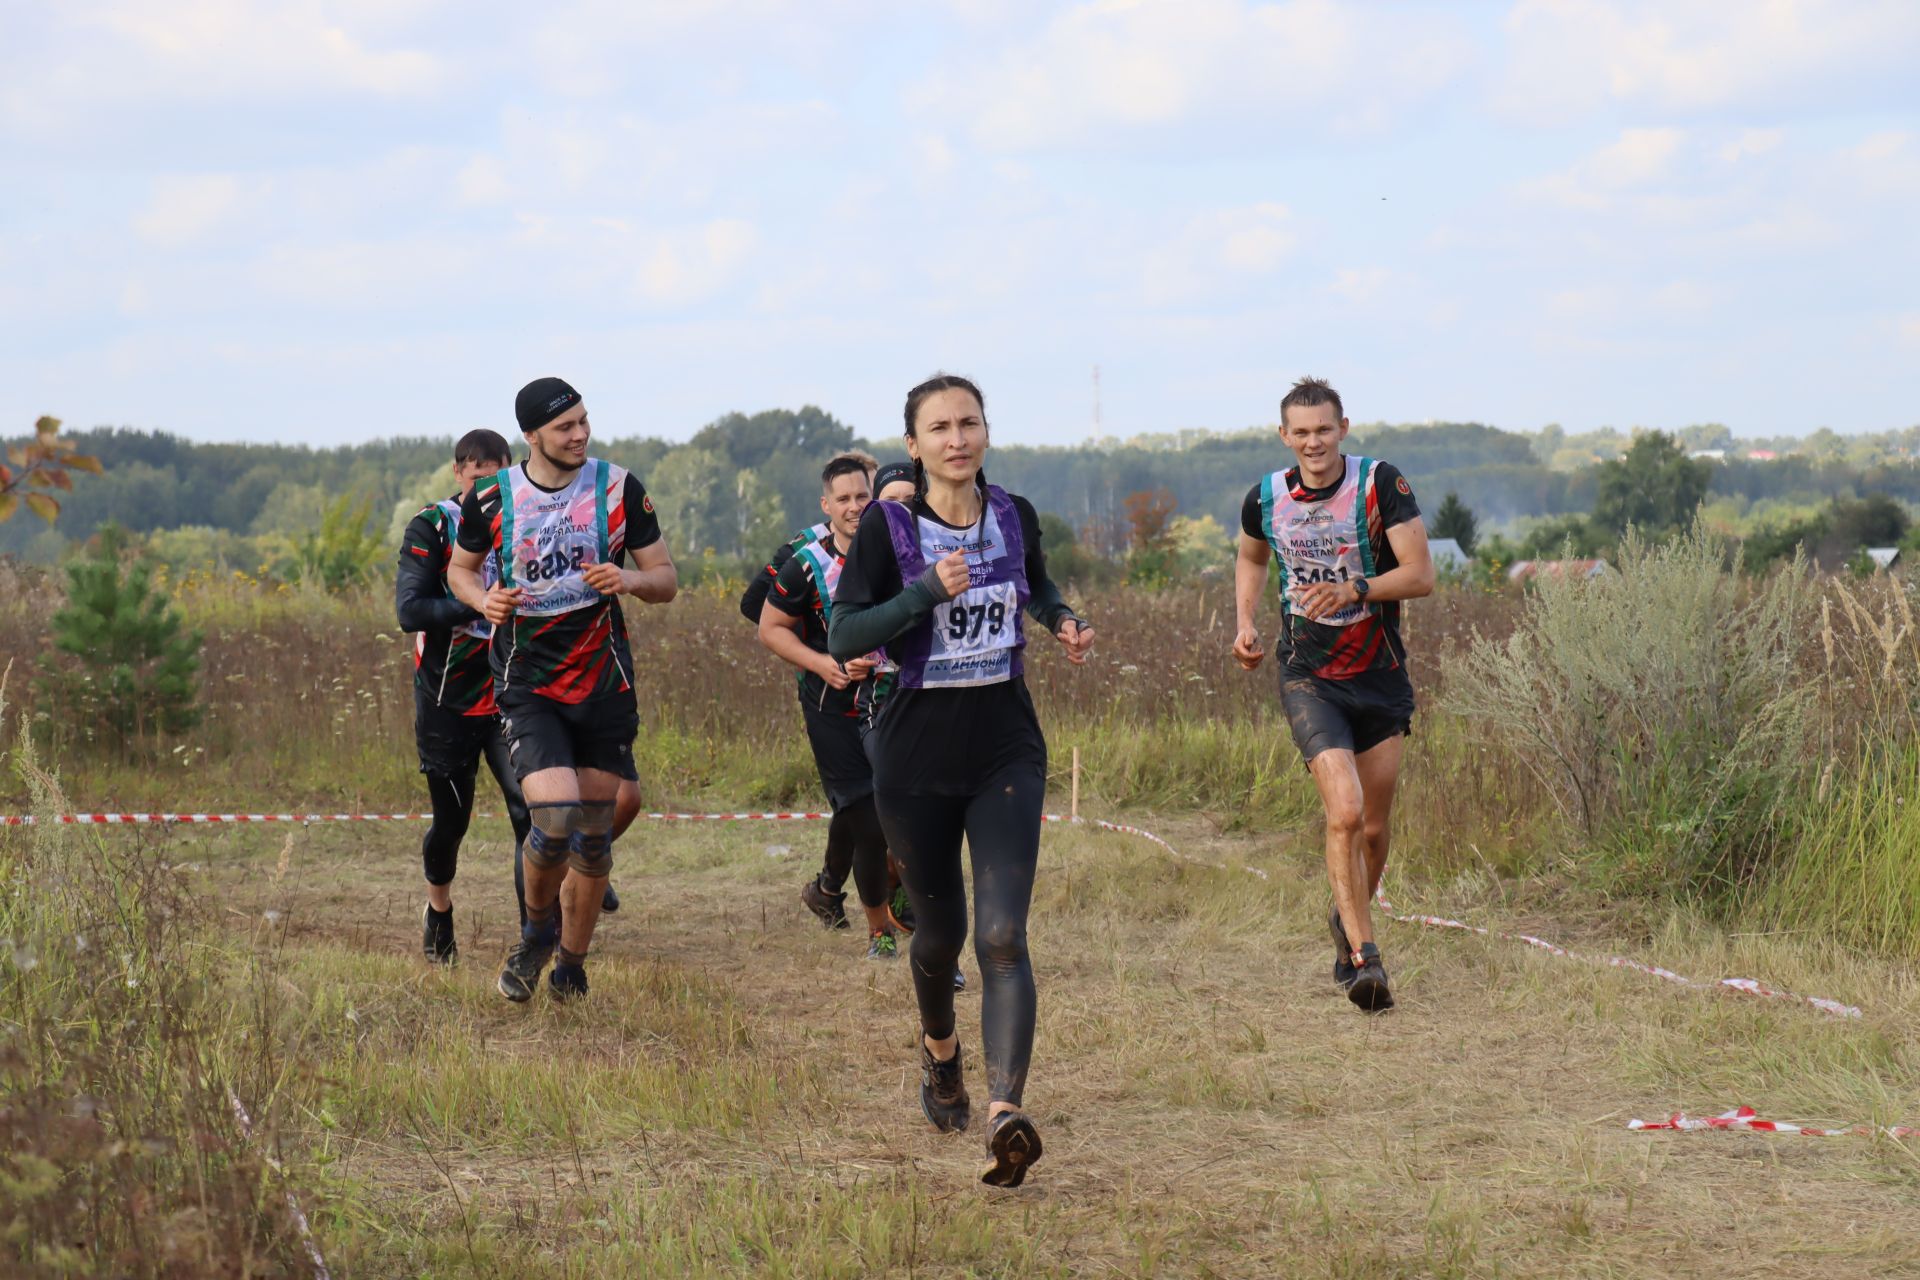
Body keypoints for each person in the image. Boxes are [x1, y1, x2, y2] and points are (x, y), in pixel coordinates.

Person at [830, 373, 1094, 1188]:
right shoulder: (888, 525)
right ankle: (941, 1053)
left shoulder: (1013, 514)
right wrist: (919, 595)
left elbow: (1036, 584)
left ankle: (1006, 1113)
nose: (957, 438)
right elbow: (845, 634)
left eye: (969, 422)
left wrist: (1059, 620)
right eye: (938, 427)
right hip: (912, 757)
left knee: (1003, 936)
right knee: (940, 939)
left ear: (985, 431)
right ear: (913, 444)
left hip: (1004, 746)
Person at [448, 377, 678, 1003]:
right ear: (531, 436)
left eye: (583, 421)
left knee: (594, 835)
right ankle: (534, 934)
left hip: (604, 681)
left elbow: (666, 579)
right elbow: (460, 570)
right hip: (530, 682)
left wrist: (629, 581)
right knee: (551, 822)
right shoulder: (493, 497)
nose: (579, 435)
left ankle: (571, 965)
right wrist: (483, 598)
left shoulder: (618, 486)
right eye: (564, 427)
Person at [1231, 376, 1434, 1014]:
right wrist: (1245, 621)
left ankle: (1345, 919)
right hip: (1308, 674)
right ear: (1284, 435)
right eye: (1302, 432)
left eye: (1324, 430)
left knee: (1373, 828)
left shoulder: (1378, 484)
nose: (1313, 442)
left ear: (1342, 428)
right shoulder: (1264, 497)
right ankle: (1364, 956)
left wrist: (1356, 590)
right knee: (1342, 812)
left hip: (1379, 674)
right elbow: (1252, 558)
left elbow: (1421, 575)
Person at [394, 429, 530, 964]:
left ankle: (534, 935)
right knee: (452, 824)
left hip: (508, 697)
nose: (483, 487)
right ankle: (439, 909)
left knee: (531, 813)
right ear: (458, 473)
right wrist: (477, 605)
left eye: (493, 477)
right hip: (446, 699)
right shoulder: (433, 525)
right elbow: (410, 611)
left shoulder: (517, 520)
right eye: (474, 476)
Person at [759, 454, 898, 958]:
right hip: (829, 703)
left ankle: (829, 889)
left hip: (890, 701)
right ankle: (879, 932)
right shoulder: (806, 562)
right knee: (866, 818)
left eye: (863, 496)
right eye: (844, 499)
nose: (856, 507)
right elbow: (767, 626)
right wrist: (821, 662)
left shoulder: (900, 551)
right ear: (827, 506)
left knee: (892, 808)